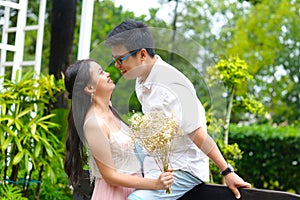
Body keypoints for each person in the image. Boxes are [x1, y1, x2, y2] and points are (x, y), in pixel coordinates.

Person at [105, 19, 251, 200]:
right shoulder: (141, 79)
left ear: (142, 54)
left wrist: (227, 171)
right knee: (119, 146)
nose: (117, 66)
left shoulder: (173, 84)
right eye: (115, 60)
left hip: (182, 167)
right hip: (157, 163)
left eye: (120, 60)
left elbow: (197, 133)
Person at [63, 59, 174, 200]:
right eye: (101, 73)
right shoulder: (94, 123)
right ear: (89, 88)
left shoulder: (110, 111)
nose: (107, 73)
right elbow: (110, 176)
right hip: (113, 195)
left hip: (134, 192)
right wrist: (155, 184)